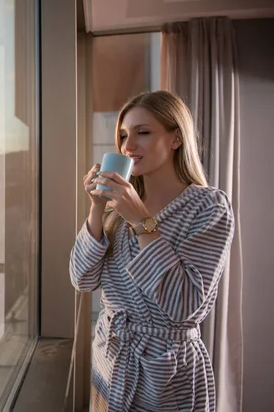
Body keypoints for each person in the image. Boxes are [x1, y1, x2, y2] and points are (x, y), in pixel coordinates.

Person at [70, 91, 235, 412]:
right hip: (111, 362)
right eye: (122, 135)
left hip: (167, 375)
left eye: (142, 132)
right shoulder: (115, 209)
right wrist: (96, 209)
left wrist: (140, 220)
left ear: (175, 138)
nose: (127, 146)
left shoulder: (208, 206)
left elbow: (183, 305)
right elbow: (82, 279)